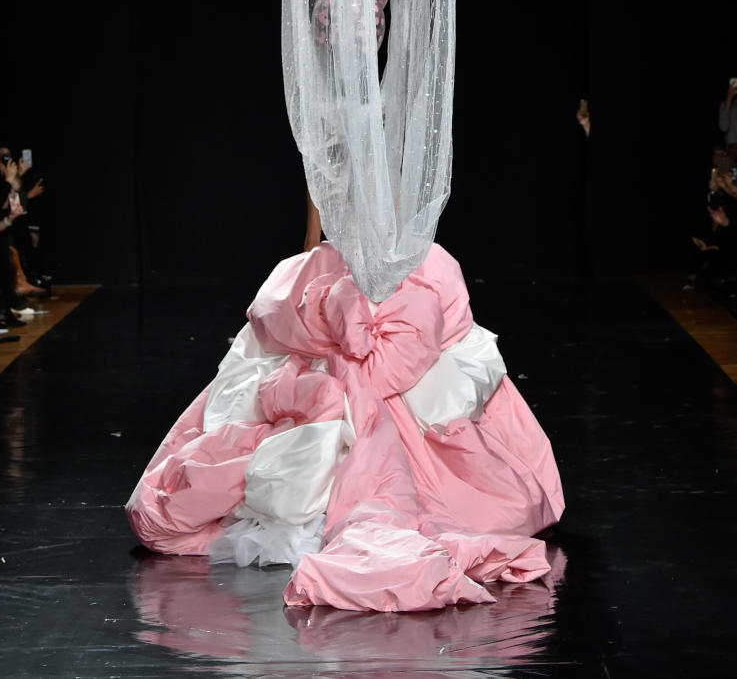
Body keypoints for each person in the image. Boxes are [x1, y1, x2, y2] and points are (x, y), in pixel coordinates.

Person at [126, 215, 564, 611]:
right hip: (381, 261)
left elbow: (325, 206)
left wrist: (317, 256)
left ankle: (320, 478)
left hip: (372, 264)